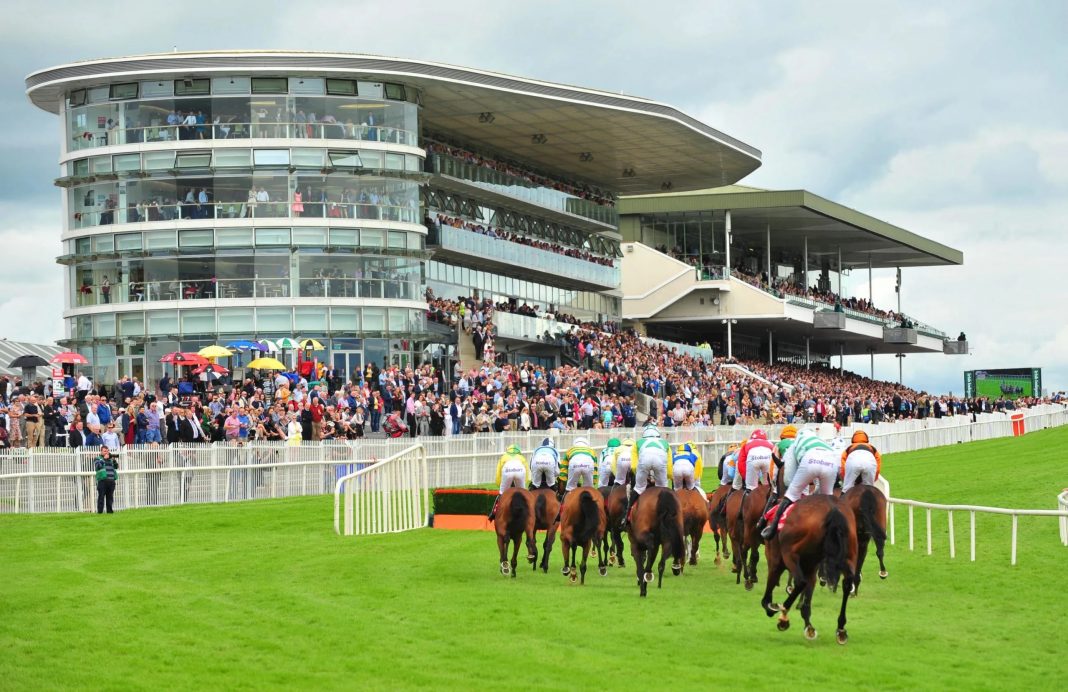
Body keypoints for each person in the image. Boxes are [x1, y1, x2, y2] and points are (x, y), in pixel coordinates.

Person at [761, 429, 839, 540]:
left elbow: (788, 478)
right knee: (828, 499)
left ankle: (771, 529)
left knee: (791, 495)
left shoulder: (794, 444)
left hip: (810, 461)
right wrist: (814, 492)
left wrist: (795, 491)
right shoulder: (821, 441)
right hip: (831, 461)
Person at [624, 425, 671, 527]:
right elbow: (670, 466)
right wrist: (668, 476)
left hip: (644, 462)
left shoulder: (638, 443)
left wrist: (641, 475)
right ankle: (671, 514)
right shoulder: (665, 443)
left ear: (644, 435)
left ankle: (626, 516)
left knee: (638, 488)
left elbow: (633, 465)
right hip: (660, 461)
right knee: (663, 488)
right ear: (658, 434)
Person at [555, 436, 598, 521]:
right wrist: (594, 481)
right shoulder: (592, 451)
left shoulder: (570, 450)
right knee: (589, 489)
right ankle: (595, 512)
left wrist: (563, 479)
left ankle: (560, 513)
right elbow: (595, 468)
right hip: (588, 465)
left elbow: (563, 468)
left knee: (570, 488)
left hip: (574, 464)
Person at [488, 444, 529, 519]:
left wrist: (499, 485)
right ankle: (529, 512)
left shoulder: (503, 457)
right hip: (520, 470)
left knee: (501, 493)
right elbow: (526, 474)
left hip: (507, 471)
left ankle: (493, 512)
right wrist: (523, 484)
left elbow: (498, 473)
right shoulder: (522, 457)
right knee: (524, 493)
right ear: (518, 451)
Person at [94, 446, 119, 514]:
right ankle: (100, 512)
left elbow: (116, 467)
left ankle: (110, 512)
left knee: (110, 498)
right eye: (105, 451)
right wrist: (103, 459)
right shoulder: (97, 458)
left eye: (107, 451)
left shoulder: (110, 459)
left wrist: (114, 460)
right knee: (101, 497)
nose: (107, 452)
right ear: (101, 452)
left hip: (111, 481)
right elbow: (97, 467)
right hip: (102, 481)